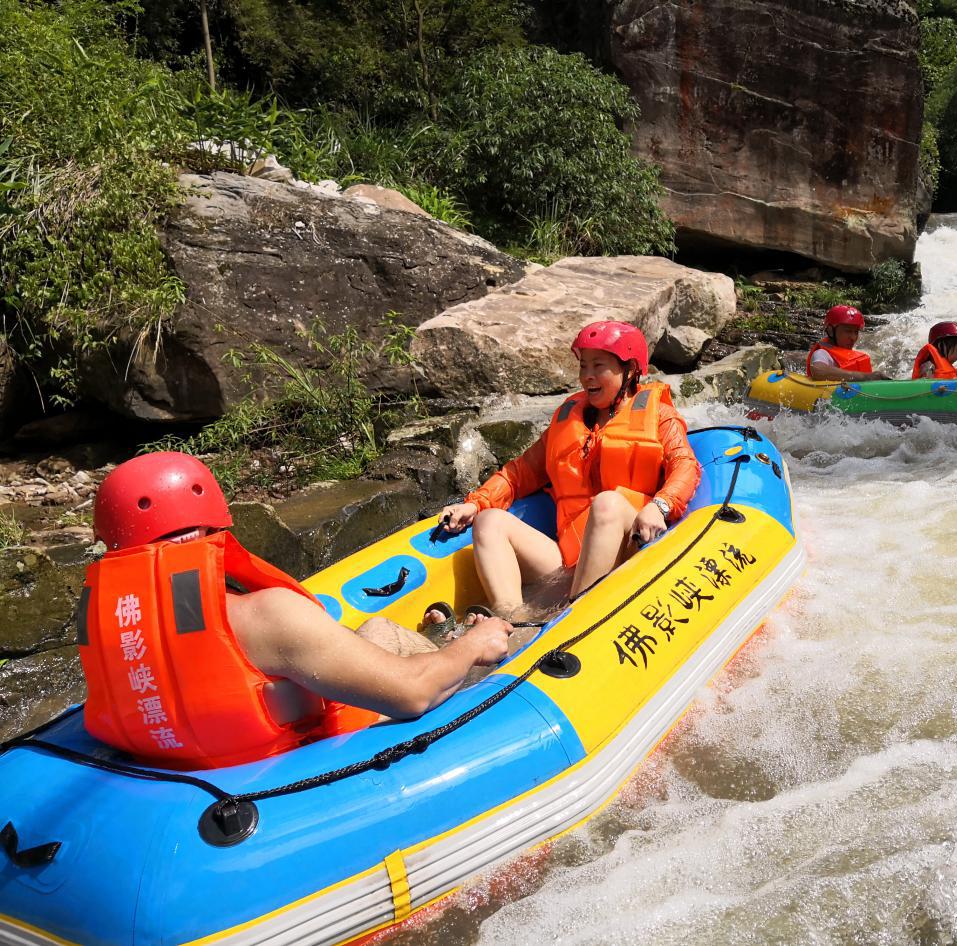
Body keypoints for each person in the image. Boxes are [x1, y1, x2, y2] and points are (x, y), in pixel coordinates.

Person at [78, 452, 511, 769]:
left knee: (377, 626)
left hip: (188, 771)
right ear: (210, 526)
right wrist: (477, 644)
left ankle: (442, 637)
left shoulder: (102, 623)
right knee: (462, 644)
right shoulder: (267, 616)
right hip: (307, 759)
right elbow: (414, 694)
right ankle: (463, 636)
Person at [438, 321, 701, 620]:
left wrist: (659, 506)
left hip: (627, 545)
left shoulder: (661, 416)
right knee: (489, 522)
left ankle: (573, 622)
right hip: (567, 557)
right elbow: (520, 472)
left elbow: (686, 466)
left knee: (608, 503)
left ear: (629, 370)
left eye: (598, 366)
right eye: (583, 366)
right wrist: (476, 502)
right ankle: (512, 624)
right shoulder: (568, 420)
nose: (587, 376)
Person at [805, 305, 889, 382]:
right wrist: (865, 377)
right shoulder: (822, 353)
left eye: (856, 332)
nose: (853, 337)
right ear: (830, 331)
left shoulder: (852, 354)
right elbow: (818, 371)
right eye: (848, 331)